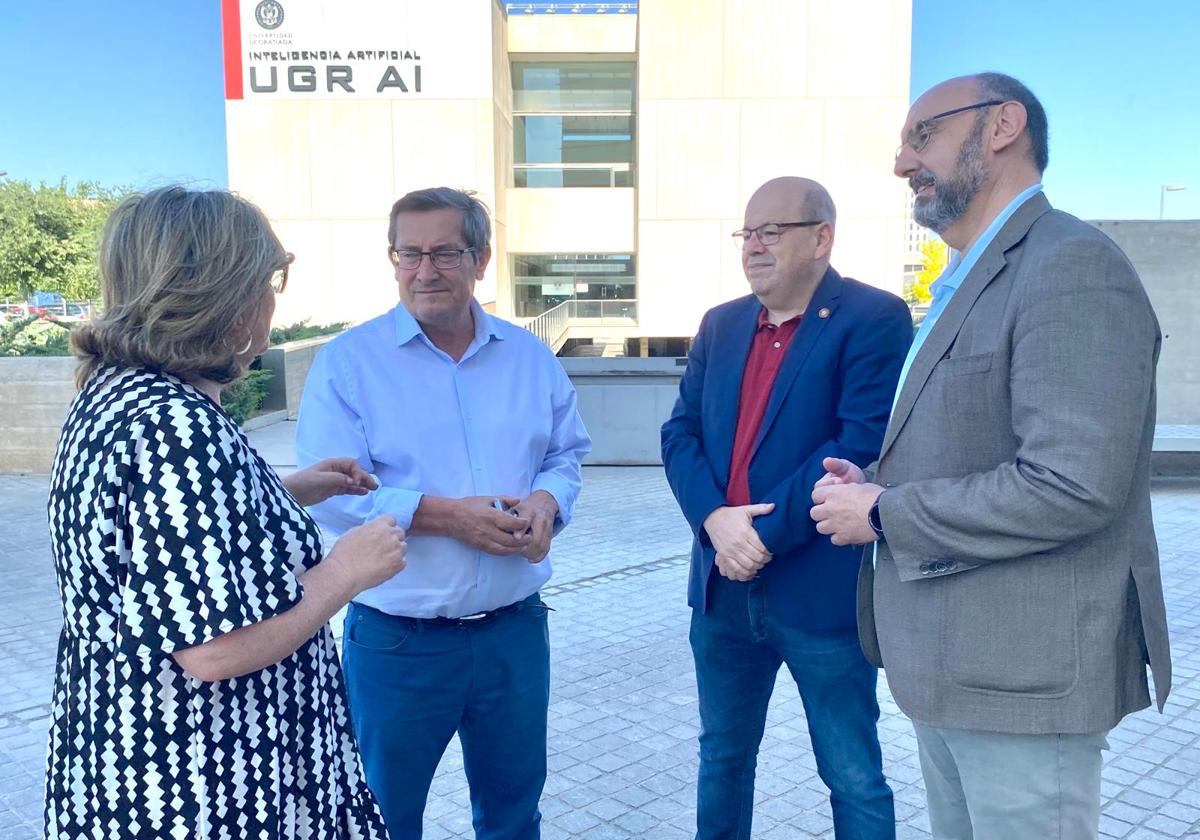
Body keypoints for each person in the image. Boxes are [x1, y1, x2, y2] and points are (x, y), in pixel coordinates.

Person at [810, 73, 1172, 840]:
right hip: (953, 673)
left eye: (922, 136)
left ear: (1002, 125)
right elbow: (980, 444)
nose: (902, 163)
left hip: (1022, 686)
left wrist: (882, 512)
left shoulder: (1070, 264)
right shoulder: (966, 278)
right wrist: (878, 481)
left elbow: (1074, 483)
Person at [44, 186, 407, 840]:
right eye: (270, 279)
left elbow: (155, 546)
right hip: (206, 788)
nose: (273, 298)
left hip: (128, 766)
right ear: (224, 292)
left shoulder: (118, 396)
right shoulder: (175, 426)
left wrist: (284, 491)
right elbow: (212, 651)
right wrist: (347, 572)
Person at [295, 186, 591, 839]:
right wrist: (445, 516)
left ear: (481, 259)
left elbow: (567, 454)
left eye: (445, 253)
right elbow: (333, 493)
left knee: (514, 816)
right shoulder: (348, 364)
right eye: (409, 253)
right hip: (399, 641)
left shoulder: (529, 357)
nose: (424, 271)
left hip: (514, 634)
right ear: (393, 258)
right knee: (383, 820)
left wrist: (547, 502)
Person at [660, 176, 912, 839]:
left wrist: (760, 536)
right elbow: (679, 434)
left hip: (818, 593)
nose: (755, 247)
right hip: (722, 594)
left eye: (773, 231)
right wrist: (716, 522)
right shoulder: (721, 324)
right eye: (748, 233)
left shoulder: (873, 317)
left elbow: (856, 442)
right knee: (722, 758)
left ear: (821, 237)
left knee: (852, 773)